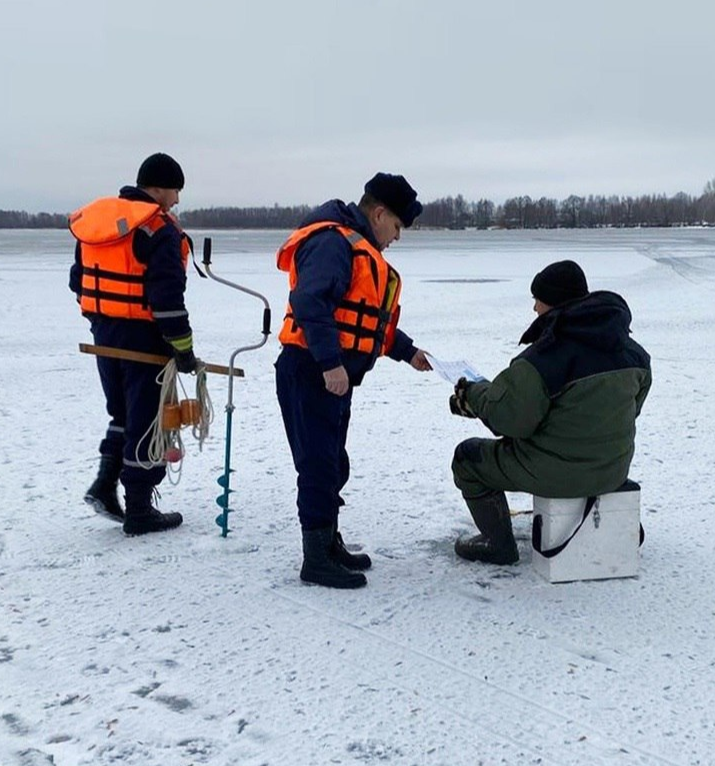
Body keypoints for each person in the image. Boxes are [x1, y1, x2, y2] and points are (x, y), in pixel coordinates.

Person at [275, 173, 433, 589]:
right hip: (311, 371)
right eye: (397, 227)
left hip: (331, 375)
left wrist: (408, 351)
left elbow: (365, 321)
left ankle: (328, 543)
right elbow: (310, 302)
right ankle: (316, 560)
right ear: (379, 213)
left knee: (331, 464)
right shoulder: (333, 243)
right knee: (318, 466)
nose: (397, 237)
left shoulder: (356, 246)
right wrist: (329, 363)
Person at [449, 260, 652, 564]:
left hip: (555, 473)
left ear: (553, 303)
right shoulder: (634, 353)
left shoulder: (543, 358)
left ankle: (497, 544)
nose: (534, 309)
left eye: (538, 300)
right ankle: (613, 526)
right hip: (611, 471)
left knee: (467, 459)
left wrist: (473, 395)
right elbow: (630, 409)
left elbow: (510, 420)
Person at [68, 152, 198, 536]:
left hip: (104, 336)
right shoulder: (159, 229)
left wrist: (100, 320)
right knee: (145, 421)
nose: (176, 200)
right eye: (174, 191)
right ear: (157, 187)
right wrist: (183, 350)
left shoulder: (100, 225)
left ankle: (106, 485)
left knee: (122, 414)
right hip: (144, 341)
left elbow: (79, 281)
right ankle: (139, 510)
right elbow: (167, 298)